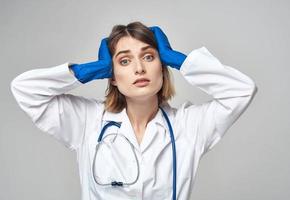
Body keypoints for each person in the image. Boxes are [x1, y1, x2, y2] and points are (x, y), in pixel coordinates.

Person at [10, 21, 258, 200]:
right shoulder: (87, 122)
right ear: (112, 75)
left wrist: (182, 61)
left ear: (162, 67)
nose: (139, 68)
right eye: (124, 61)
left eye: (149, 57)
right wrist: (88, 70)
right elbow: (24, 89)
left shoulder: (189, 126)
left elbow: (242, 90)